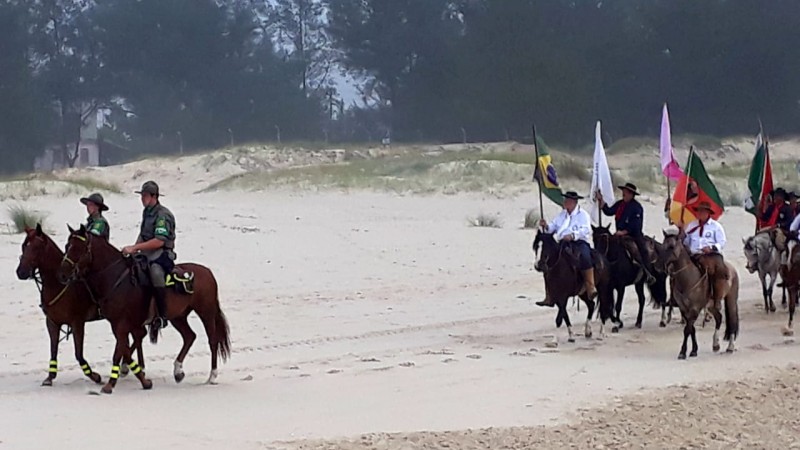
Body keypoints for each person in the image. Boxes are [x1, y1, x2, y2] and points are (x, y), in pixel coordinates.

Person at [121, 181, 176, 333]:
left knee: (156, 273)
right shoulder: (147, 212)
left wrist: (136, 248)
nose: (142, 199)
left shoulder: (162, 215)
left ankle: (162, 315)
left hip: (162, 253)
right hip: (146, 252)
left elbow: (159, 241)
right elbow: (143, 235)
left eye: (145, 196)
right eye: (142, 196)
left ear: (154, 197)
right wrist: (133, 249)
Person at [536, 191, 596, 307]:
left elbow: (586, 230)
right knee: (549, 260)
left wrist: (573, 235)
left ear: (574, 202)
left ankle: (590, 286)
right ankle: (549, 294)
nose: (565, 202)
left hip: (579, 242)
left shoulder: (583, 215)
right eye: (565, 200)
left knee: (586, 257)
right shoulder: (562, 215)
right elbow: (552, 227)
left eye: (567, 200)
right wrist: (546, 226)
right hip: (563, 243)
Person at [596, 182, 656, 284]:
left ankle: (647, 273)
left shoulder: (637, 207)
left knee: (642, 250)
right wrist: (601, 200)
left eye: (626, 192)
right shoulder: (620, 204)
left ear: (632, 194)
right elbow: (609, 211)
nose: (624, 193)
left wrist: (624, 232)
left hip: (633, 235)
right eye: (624, 191)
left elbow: (636, 225)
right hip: (619, 234)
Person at [682, 201, 727, 311]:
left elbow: (722, 242)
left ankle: (716, 298)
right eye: (699, 211)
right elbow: (686, 242)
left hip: (711, 255)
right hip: (694, 255)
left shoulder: (716, 226)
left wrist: (711, 247)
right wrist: (681, 233)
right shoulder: (691, 225)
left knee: (718, 270)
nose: (700, 213)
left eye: (703, 211)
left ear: (708, 213)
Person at [760, 188, 793, 262]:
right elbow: (765, 218)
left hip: (783, 230)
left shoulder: (787, 209)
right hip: (770, 227)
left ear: (781, 198)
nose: (774, 198)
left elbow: (789, 222)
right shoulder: (772, 207)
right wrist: (759, 210)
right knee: (759, 233)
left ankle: (782, 253)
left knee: (778, 237)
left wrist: (779, 225)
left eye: (776, 196)